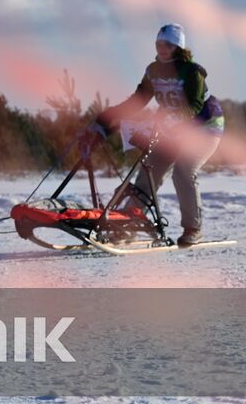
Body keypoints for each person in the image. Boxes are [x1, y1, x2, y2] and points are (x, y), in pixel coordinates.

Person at [86, 23, 225, 248]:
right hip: (172, 127)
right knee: (149, 171)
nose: (162, 48)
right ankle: (127, 226)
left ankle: (193, 229)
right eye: (159, 44)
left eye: (168, 45)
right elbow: (139, 99)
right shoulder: (153, 70)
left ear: (178, 47)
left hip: (204, 126)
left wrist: (173, 119)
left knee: (183, 171)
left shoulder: (192, 71)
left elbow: (196, 105)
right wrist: (107, 117)